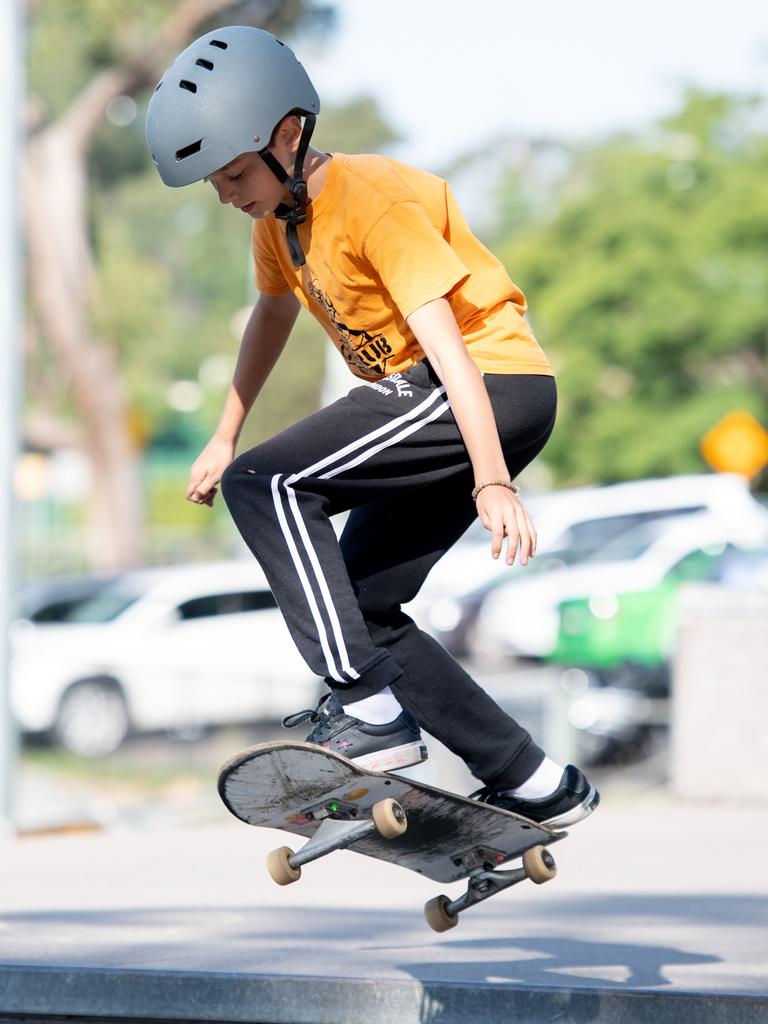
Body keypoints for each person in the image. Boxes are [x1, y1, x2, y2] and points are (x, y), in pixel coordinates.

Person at [145, 25, 599, 828]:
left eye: (236, 172)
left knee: (270, 481)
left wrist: (492, 477)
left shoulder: (371, 199)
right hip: (452, 399)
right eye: (214, 181)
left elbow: (448, 345)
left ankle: (371, 713)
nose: (226, 193)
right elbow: (270, 317)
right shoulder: (279, 223)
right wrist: (224, 432)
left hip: (486, 383)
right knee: (361, 603)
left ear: (288, 134)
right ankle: (532, 778)